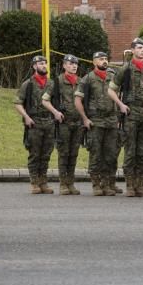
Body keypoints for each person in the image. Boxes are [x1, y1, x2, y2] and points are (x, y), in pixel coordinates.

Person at [109, 37, 143, 197]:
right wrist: (121, 105)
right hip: (131, 113)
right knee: (131, 150)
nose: (142, 50)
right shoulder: (125, 69)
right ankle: (130, 185)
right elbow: (111, 90)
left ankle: (141, 184)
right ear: (132, 50)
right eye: (138, 48)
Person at [74, 51, 119, 196]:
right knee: (96, 153)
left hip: (111, 121)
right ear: (94, 62)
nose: (104, 61)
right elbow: (77, 100)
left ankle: (106, 184)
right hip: (96, 121)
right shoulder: (87, 79)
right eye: (101, 59)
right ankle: (96, 184)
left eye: (106, 59)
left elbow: (119, 97)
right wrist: (85, 118)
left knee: (110, 154)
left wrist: (118, 117)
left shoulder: (113, 77)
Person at [41, 54, 83, 195]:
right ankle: (63, 183)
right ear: (64, 65)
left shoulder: (81, 82)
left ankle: (71, 183)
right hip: (64, 124)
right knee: (64, 154)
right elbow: (45, 100)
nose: (74, 66)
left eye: (75, 64)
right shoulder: (57, 82)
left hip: (78, 123)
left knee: (74, 154)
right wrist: (55, 112)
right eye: (70, 63)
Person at [14, 55, 56, 194]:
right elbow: (18, 103)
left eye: (45, 63)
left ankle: (43, 182)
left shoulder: (51, 83)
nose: (44, 65)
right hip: (34, 122)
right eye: (40, 63)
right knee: (34, 154)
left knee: (46, 154)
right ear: (34, 66)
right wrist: (26, 117)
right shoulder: (28, 84)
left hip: (49, 122)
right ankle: (34, 183)